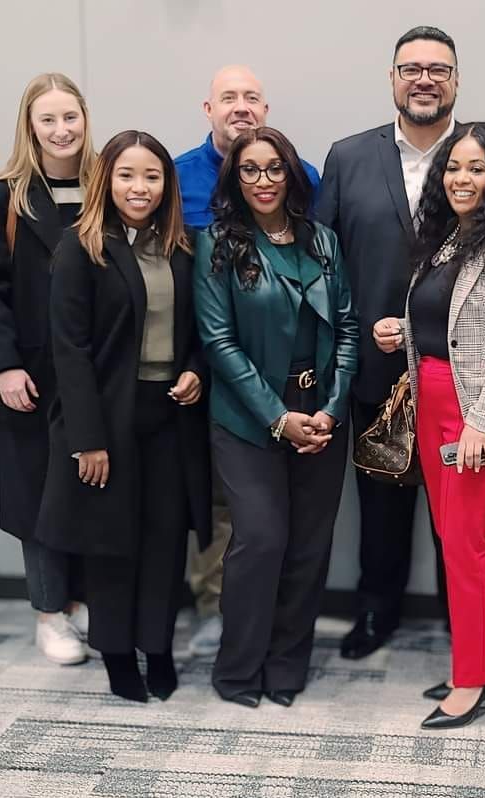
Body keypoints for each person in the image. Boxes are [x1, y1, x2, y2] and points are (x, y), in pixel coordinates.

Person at [374, 122, 485, 729]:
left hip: (475, 411)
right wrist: (404, 334)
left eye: (475, 168)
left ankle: (471, 679)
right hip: (430, 399)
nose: (461, 178)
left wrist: (481, 421)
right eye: (453, 167)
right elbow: (447, 321)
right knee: (455, 540)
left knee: (464, 544)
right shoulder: (450, 237)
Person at [39, 131, 211, 702]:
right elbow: (70, 350)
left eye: (152, 177)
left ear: (168, 185)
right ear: (106, 180)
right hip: (107, 418)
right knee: (113, 542)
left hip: (170, 414)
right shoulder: (80, 246)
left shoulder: (183, 248)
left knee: (164, 539)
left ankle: (157, 647)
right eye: (128, 175)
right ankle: (116, 653)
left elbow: (197, 332)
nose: (140, 188)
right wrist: (87, 439)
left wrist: (193, 370)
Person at [195, 126, 357, 708]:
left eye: (273, 168)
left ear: (291, 174)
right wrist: (278, 418)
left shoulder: (323, 241)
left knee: (310, 547)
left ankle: (288, 666)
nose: (262, 180)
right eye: (249, 169)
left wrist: (332, 410)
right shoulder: (218, 243)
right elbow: (218, 343)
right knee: (261, 540)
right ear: (234, 179)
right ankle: (237, 668)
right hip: (247, 417)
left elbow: (346, 329)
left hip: (321, 417)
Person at [317, 25, 458, 660]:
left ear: (455, 81)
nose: (424, 78)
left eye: (438, 69)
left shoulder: (481, 155)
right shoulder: (347, 158)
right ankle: (377, 612)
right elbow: (323, 261)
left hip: (461, 372)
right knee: (380, 501)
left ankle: (468, 623)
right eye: (411, 68)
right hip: (375, 370)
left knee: (459, 506)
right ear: (392, 79)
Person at [175, 64, 320, 658]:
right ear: (206, 108)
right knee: (213, 497)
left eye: (252, 97)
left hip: (276, 370)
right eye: (228, 97)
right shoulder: (176, 175)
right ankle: (214, 607)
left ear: (266, 109)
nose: (241, 107)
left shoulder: (301, 175)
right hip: (190, 360)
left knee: (271, 508)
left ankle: (267, 621)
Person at [0, 73, 97, 665]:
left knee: (95, 485)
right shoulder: (2, 198)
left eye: (70, 116)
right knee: (38, 494)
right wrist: (6, 366)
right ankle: (49, 613)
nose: (61, 129)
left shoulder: (107, 185)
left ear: (85, 119)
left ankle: (85, 600)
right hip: (32, 374)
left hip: (98, 369)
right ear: (30, 126)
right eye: (48, 119)